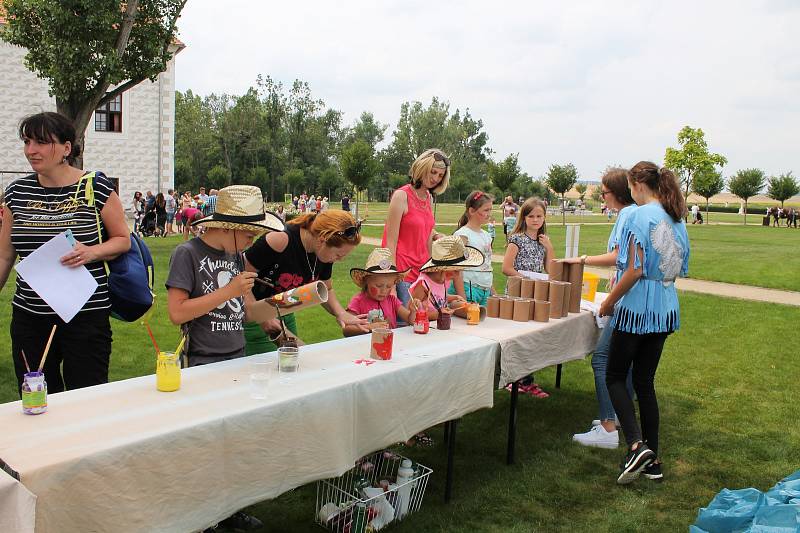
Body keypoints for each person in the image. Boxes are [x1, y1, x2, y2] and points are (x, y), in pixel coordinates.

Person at [0, 111, 130, 394]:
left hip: (85, 315)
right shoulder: (16, 193)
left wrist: (91, 252)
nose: (31, 150)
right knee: (36, 398)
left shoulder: (96, 186)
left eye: (41, 142)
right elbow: (4, 256)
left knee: (86, 398)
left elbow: (123, 240)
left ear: (66, 149)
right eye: (27, 142)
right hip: (30, 317)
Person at [599, 161, 690, 485]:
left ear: (637, 184)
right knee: (645, 384)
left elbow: (634, 270)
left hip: (638, 307)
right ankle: (654, 461)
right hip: (666, 306)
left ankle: (636, 445)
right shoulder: (675, 217)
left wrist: (609, 302)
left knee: (614, 375)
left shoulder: (637, 215)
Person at [562, 168, 636, 449]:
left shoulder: (627, 215)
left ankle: (607, 427)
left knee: (602, 360)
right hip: (629, 297)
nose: (602, 197)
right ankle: (616, 416)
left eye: (604, 192)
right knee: (623, 362)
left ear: (616, 192)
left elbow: (620, 257)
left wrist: (582, 259)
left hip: (623, 298)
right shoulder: (631, 214)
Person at [244, 209, 369, 354]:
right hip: (253, 316)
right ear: (322, 240)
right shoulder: (280, 240)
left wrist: (341, 313)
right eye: (338, 255)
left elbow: (326, 288)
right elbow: (238, 275)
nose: (340, 260)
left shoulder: (323, 252)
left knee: (293, 364)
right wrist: (262, 317)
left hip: (285, 310)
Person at [382, 149, 450, 314]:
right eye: (433, 172)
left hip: (422, 275)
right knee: (404, 328)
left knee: (422, 325)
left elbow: (423, 226)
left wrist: (435, 234)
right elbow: (389, 242)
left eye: (440, 175)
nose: (435, 178)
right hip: (403, 275)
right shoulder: (401, 196)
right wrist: (391, 282)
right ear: (422, 167)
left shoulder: (428, 197)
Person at [502, 197, 555, 398]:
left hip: (536, 294)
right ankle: (513, 380)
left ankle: (526, 380)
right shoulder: (516, 239)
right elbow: (506, 268)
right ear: (524, 217)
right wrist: (528, 277)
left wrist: (549, 247)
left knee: (532, 338)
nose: (535, 220)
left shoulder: (543, 240)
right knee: (517, 337)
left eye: (539, 216)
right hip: (518, 293)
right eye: (531, 216)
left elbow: (551, 269)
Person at [343, 248, 419, 335]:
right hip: (365, 345)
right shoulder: (358, 301)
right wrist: (369, 327)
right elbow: (346, 329)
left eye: (389, 286)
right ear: (366, 281)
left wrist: (413, 311)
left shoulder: (392, 300)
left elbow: (411, 321)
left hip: (388, 344)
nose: (384, 291)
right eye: (378, 286)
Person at [411, 235, 476, 319]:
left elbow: (438, 297)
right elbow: (411, 313)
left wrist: (454, 297)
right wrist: (438, 314)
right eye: (456, 271)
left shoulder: (443, 280)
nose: (457, 275)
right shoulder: (423, 284)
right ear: (442, 268)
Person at [450, 191, 496, 306]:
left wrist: (492, 291)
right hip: (468, 289)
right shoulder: (462, 234)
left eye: (490, 210)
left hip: (486, 291)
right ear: (471, 211)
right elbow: (456, 269)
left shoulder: (487, 235)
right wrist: (462, 298)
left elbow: (487, 265)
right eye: (486, 210)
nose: (489, 214)